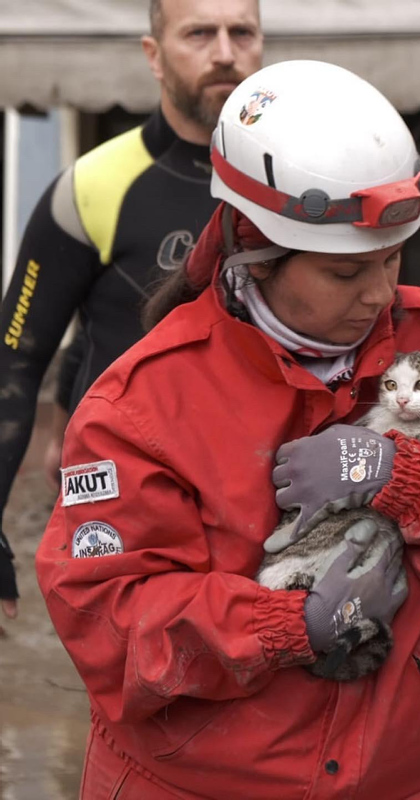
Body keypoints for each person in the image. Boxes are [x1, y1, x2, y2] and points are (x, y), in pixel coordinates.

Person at [35, 60, 420, 799]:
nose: (380, 294)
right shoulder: (144, 403)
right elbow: (108, 624)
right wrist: (294, 623)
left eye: (392, 259)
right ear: (255, 251)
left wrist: (400, 478)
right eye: (346, 275)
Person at [0, 0, 264, 620]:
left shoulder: (300, 181)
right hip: (127, 499)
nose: (224, 52)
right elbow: (16, 361)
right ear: (154, 55)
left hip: (262, 501)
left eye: (241, 32)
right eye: (200, 33)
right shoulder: (92, 186)